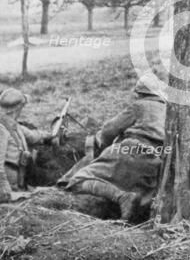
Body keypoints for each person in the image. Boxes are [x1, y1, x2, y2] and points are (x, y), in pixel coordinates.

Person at [58, 75, 166, 221]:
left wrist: (100, 143)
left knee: (77, 180)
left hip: (130, 153)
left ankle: (122, 197)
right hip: (157, 161)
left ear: (139, 93)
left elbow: (110, 130)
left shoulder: (138, 106)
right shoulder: (170, 110)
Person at [0, 88, 55, 205]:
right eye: (21, 108)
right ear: (16, 109)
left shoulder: (13, 125)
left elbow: (33, 136)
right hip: (7, 193)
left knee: (52, 196)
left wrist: (51, 135)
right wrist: (6, 198)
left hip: (20, 188)